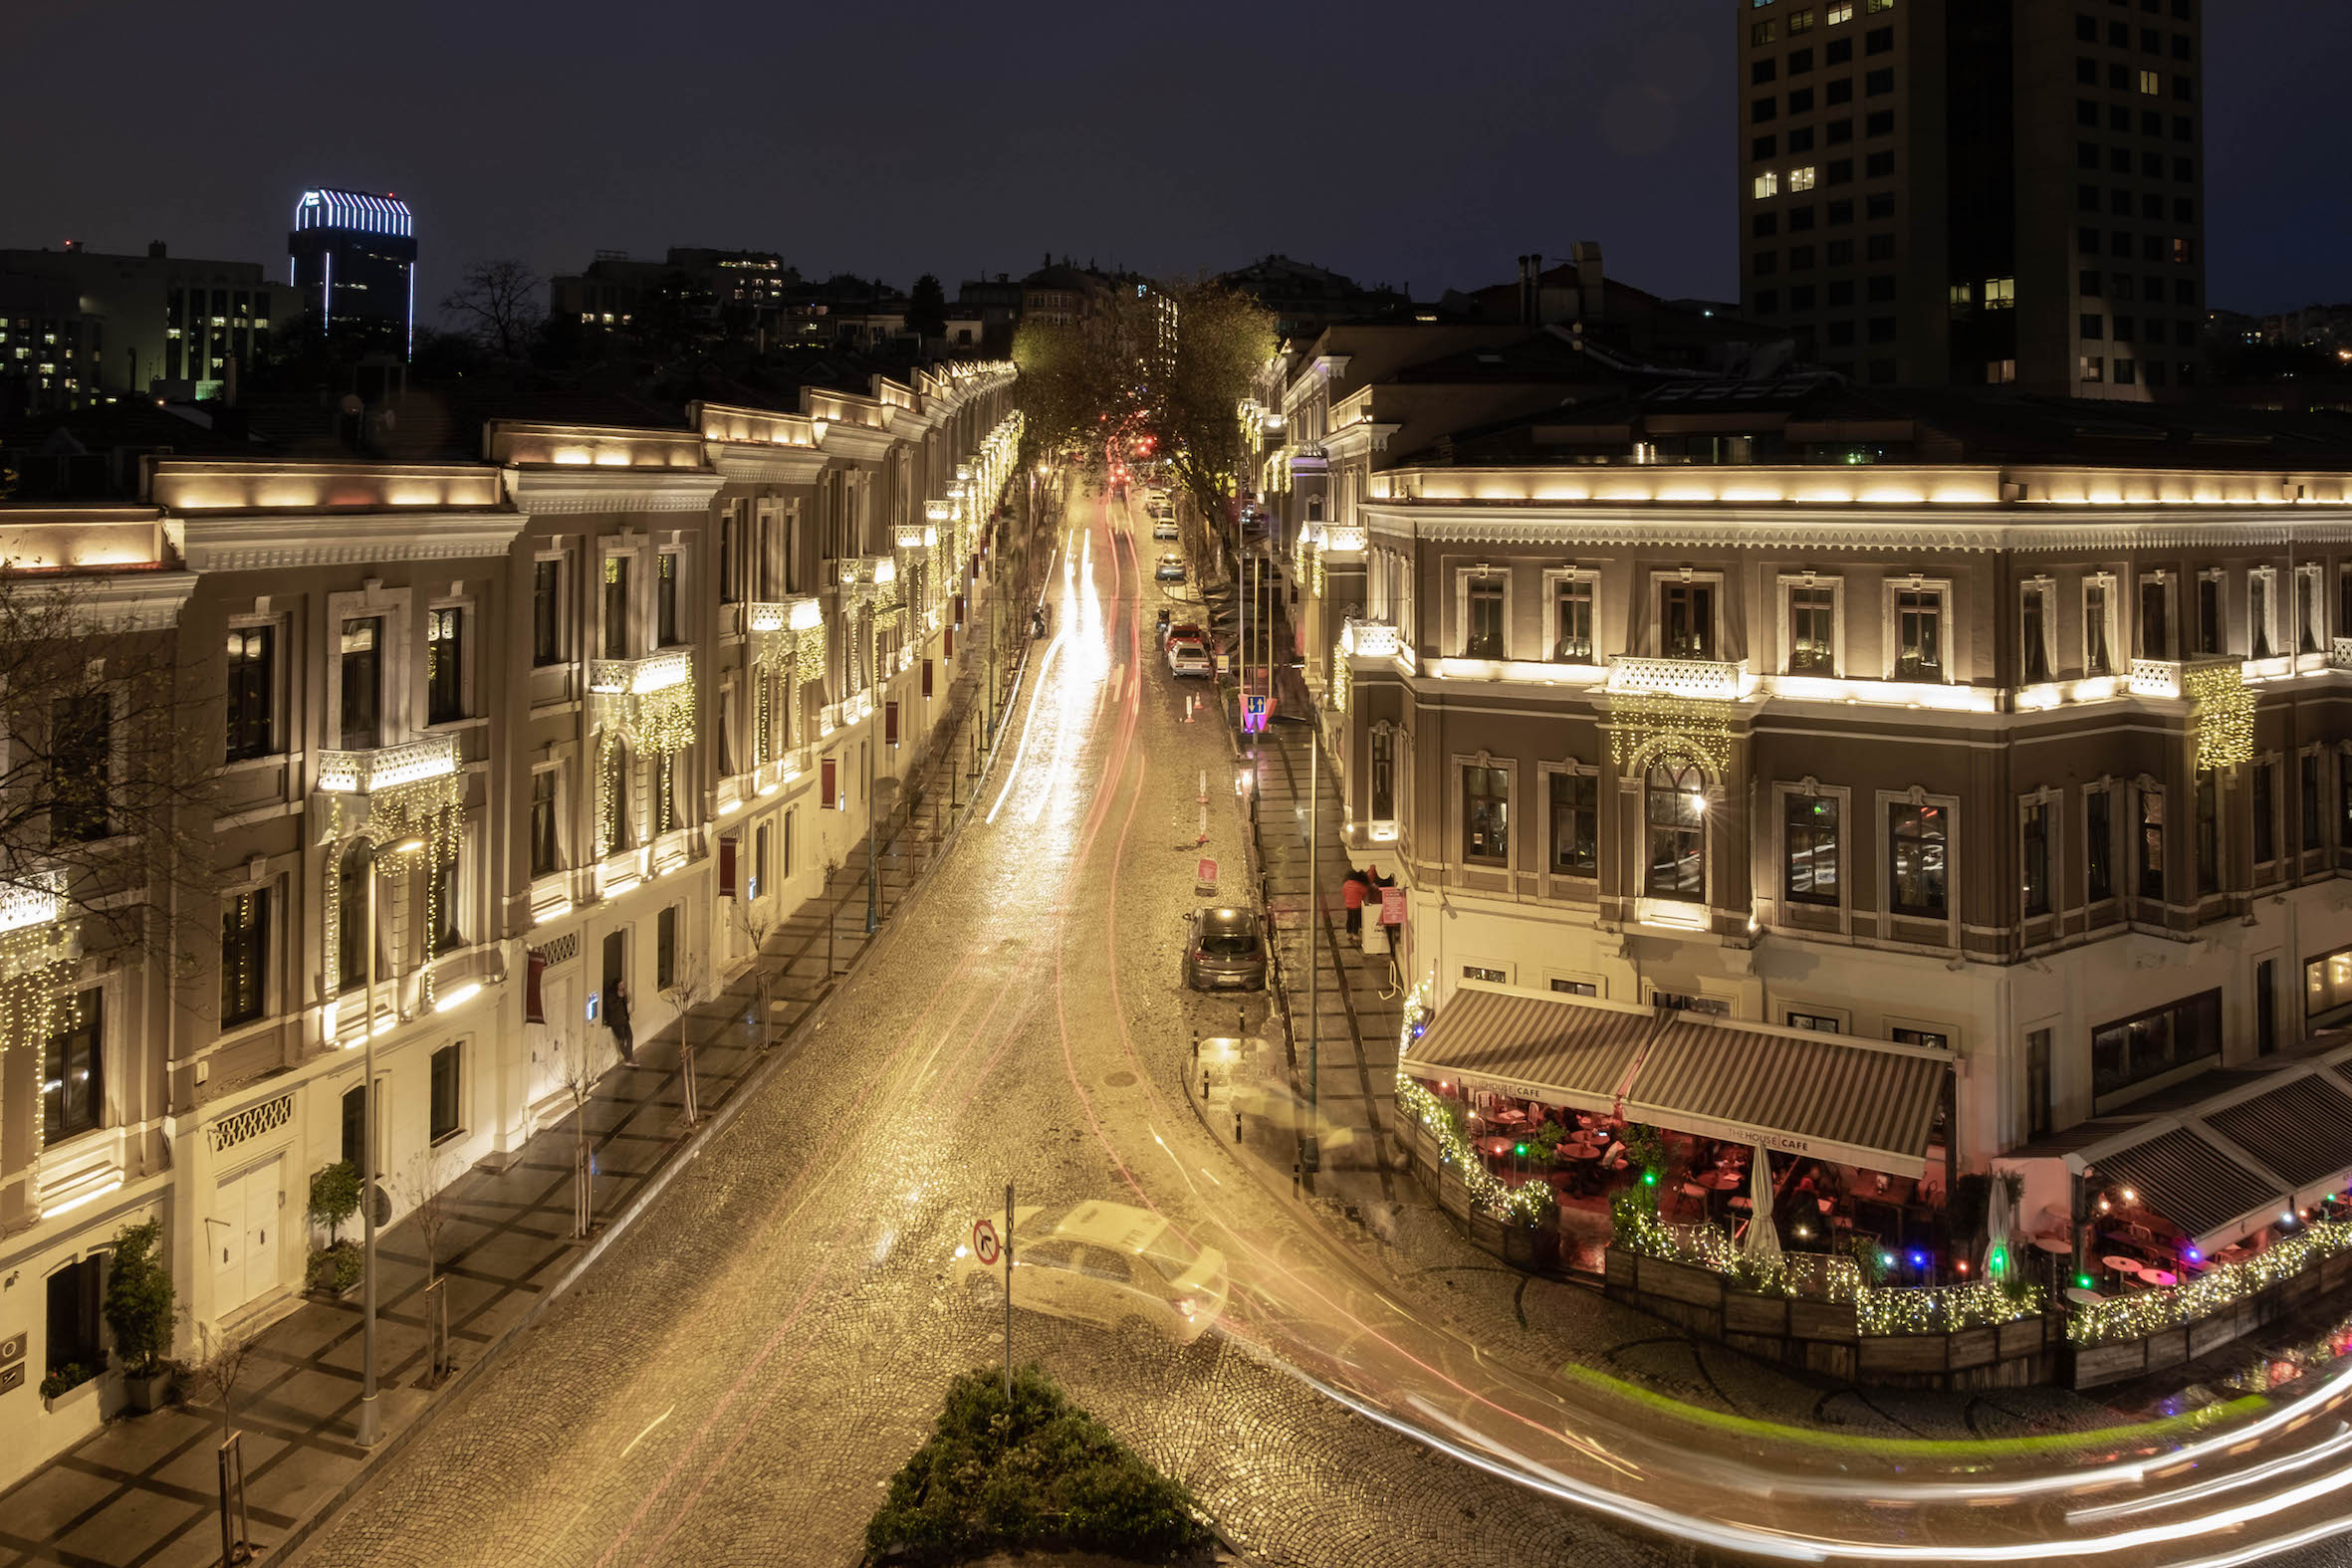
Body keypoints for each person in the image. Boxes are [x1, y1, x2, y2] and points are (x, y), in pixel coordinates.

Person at [608, 980, 635, 1066]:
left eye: (623, 985)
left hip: (624, 1019)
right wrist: (619, 998)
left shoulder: (623, 994)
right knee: (621, 1040)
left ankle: (629, 1057)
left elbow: (626, 1002)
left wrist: (625, 996)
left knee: (630, 1037)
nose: (622, 987)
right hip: (616, 1021)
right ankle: (628, 1058)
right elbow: (611, 1007)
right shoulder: (611, 996)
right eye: (620, 985)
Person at [1341, 869, 1367, 942]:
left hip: (1348, 904)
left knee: (1349, 919)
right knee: (1356, 920)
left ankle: (1348, 933)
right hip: (1357, 905)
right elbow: (1364, 891)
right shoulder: (1359, 885)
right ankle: (1355, 934)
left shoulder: (1346, 884)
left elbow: (1344, 892)